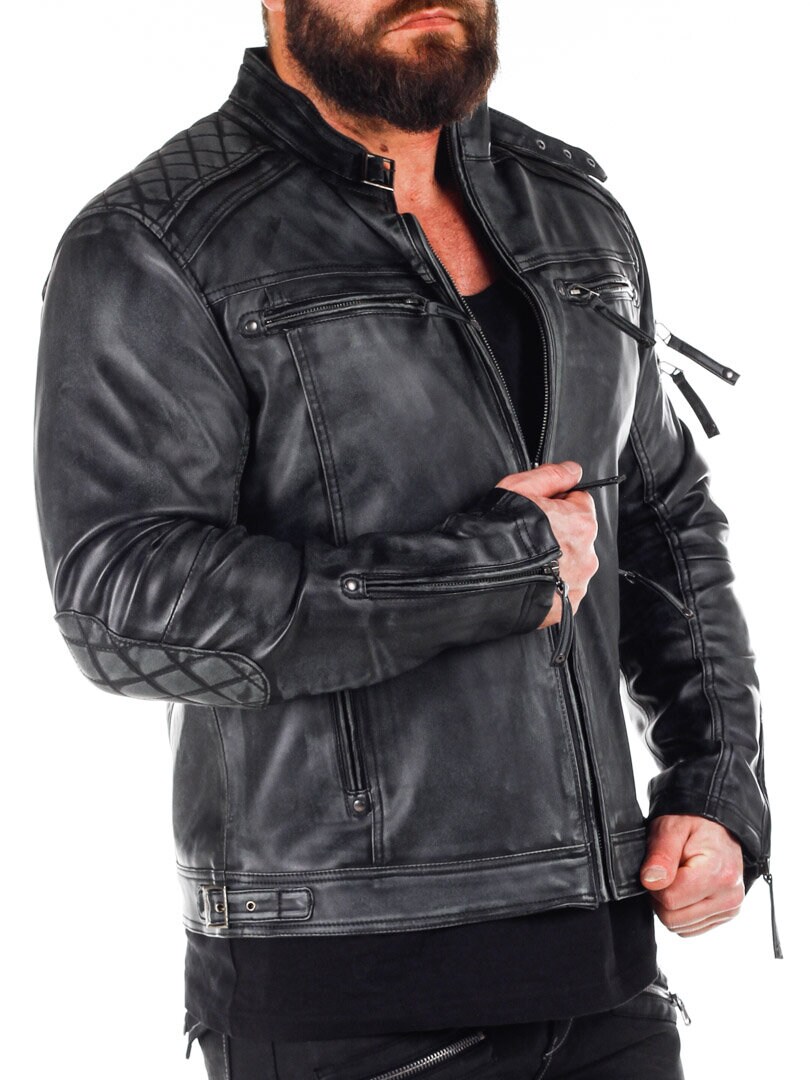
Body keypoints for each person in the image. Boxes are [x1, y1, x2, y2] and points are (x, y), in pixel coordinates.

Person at [33, 2, 779, 1077]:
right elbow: (120, 606)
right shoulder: (157, 243)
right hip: (344, 999)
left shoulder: (573, 209)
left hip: (609, 978)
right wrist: (495, 571)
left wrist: (717, 780)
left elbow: (662, 516)